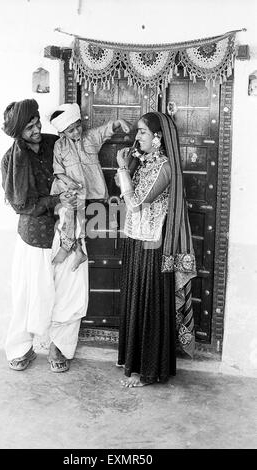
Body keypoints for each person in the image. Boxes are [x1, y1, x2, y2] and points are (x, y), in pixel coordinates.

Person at [1, 98, 88, 373]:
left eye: (37, 122)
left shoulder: (55, 144)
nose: (37, 129)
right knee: (29, 295)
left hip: (68, 229)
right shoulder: (11, 160)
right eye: (29, 127)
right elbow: (21, 205)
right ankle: (21, 348)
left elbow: (79, 163)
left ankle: (59, 347)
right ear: (18, 133)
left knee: (71, 291)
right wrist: (56, 200)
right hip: (35, 237)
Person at [115, 111, 197, 387]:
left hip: (153, 245)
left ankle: (148, 371)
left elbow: (136, 202)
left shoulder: (163, 167)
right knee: (136, 300)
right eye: (138, 131)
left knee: (148, 304)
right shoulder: (146, 162)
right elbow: (127, 195)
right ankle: (133, 362)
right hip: (138, 239)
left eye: (142, 132)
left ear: (158, 138)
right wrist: (127, 169)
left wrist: (123, 169)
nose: (137, 137)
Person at [49, 103, 131, 271]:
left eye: (78, 127)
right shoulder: (59, 146)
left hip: (94, 191)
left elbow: (106, 129)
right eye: (70, 130)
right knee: (70, 211)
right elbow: (58, 171)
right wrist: (68, 181)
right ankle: (76, 249)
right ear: (62, 133)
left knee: (78, 217)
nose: (76, 132)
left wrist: (120, 122)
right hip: (72, 190)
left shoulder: (91, 137)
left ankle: (70, 247)